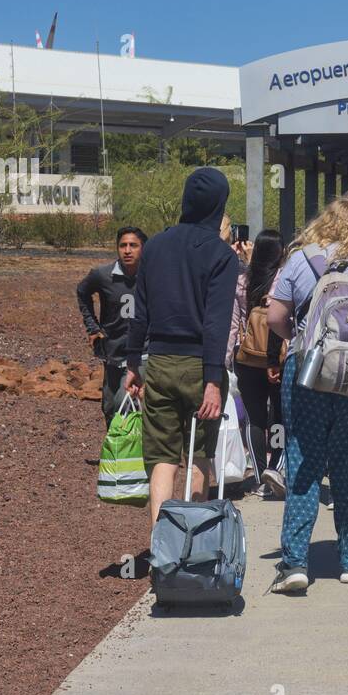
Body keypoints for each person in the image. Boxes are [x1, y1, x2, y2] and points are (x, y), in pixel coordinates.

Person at [264, 195, 348, 593]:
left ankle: (294, 563)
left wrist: (299, 338)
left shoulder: (300, 259)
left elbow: (274, 316)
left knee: (303, 461)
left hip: (307, 371)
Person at [124, 168, 239, 526]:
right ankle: (192, 541)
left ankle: (161, 544)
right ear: (219, 205)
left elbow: (138, 312)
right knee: (199, 456)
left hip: (158, 362)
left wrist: (132, 364)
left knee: (162, 459)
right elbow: (216, 324)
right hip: (199, 366)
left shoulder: (155, 245)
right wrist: (212, 381)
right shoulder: (222, 255)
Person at [233, 229, 287, 498]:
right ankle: (276, 468)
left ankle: (257, 475)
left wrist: (228, 360)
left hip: (247, 357)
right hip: (277, 358)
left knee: (255, 420)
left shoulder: (242, 280)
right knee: (279, 416)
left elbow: (234, 324)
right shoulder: (283, 280)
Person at [77, 226, 146, 426]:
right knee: (108, 406)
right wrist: (92, 327)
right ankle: (116, 450)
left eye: (133, 245)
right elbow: (82, 292)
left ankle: (137, 450)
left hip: (143, 352)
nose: (127, 250)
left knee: (122, 403)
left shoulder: (151, 276)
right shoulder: (103, 275)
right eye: (123, 245)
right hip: (113, 350)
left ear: (143, 248)